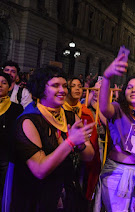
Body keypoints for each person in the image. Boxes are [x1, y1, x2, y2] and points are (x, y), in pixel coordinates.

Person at [8, 66, 95, 211]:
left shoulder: (70, 116)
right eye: (55, 85)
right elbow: (40, 170)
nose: (63, 90)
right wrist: (70, 142)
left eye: (64, 86)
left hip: (67, 195)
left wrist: (80, 145)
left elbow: (89, 156)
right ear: (41, 88)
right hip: (37, 198)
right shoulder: (29, 121)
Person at [94, 55, 135, 212]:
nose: (133, 90)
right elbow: (103, 107)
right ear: (124, 92)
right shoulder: (117, 110)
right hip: (116, 175)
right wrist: (107, 77)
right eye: (129, 87)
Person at [63, 77, 101, 207]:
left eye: (79, 86)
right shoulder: (60, 111)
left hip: (83, 160)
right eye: (73, 86)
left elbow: (93, 139)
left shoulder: (86, 112)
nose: (78, 88)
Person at [0, 72, 23, 207]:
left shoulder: (16, 108)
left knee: (4, 189)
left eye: (4, 83)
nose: (0, 85)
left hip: (6, 156)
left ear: (10, 87)